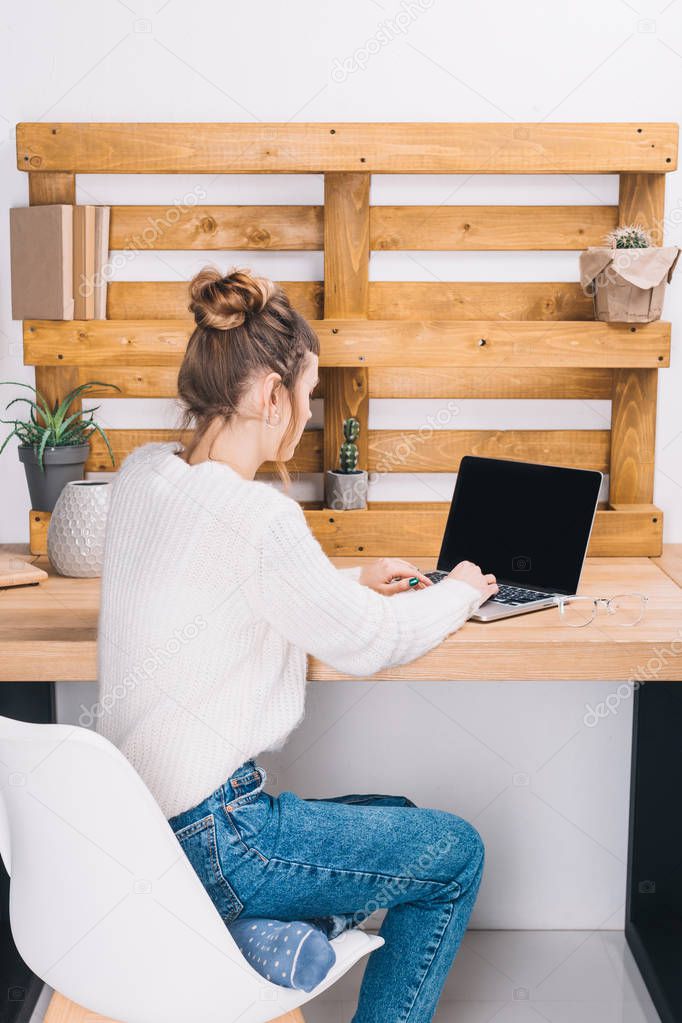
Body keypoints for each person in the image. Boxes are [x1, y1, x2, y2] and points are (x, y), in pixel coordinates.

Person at [96, 266, 498, 1023]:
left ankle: (269, 935)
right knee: (452, 853)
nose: (308, 415)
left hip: (144, 834)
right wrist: (460, 591)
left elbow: (221, 579)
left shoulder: (142, 475)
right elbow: (370, 643)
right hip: (222, 837)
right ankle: (256, 929)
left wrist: (347, 576)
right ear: (271, 397)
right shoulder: (259, 520)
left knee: (396, 813)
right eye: (307, 395)